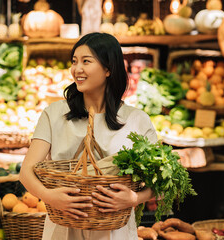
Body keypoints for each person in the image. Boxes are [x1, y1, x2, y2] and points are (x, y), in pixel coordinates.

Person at [19, 32, 157, 240]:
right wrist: (49, 196)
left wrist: (134, 198)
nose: (77, 69)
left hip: (115, 232)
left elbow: (161, 180)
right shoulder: (54, 114)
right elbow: (26, 172)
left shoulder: (136, 120)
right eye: (74, 61)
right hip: (62, 229)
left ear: (108, 68)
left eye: (86, 61)